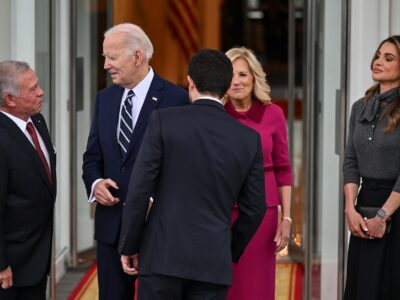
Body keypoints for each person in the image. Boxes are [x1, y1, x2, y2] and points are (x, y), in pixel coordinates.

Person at [118, 49, 267, 300]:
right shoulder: (248, 139)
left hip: (161, 257)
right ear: (227, 88)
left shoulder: (164, 121)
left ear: (190, 82)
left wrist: (130, 244)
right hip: (213, 262)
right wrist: (226, 249)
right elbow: (255, 209)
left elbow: (139, 190)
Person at [82, 23, 188, 300]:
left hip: (158, 228)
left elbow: (183, 167)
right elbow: (92, 157)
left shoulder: (177, 100)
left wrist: (152, 199)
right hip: (111, 228)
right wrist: (95, 184)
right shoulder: (104, 100)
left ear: (137, 57)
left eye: (112, 57)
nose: (105, 65)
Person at [224, 47, 293, 300]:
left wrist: (287, 218)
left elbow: (284, 169)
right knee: (225, 282)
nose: (236, 81)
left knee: (256, 285)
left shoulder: (273, 114)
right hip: (222, 211)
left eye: (243, 74)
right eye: (230, 74)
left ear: (254, 77)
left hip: (262, 215)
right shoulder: (216, 115)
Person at [343, 35, 400, 300]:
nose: (378, 61)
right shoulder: (360, 107)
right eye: (378, 55)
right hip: (364, 206)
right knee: (362, 286)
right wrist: (350, 207)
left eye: (389, 58)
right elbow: (351, 160)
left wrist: (382, 216)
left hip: (394, 208)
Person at [0, 60, 56, 299]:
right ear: (10, 100)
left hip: (37, 259)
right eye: (32, 90)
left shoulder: (37, 121)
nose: (41, 92)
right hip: (10, 269)